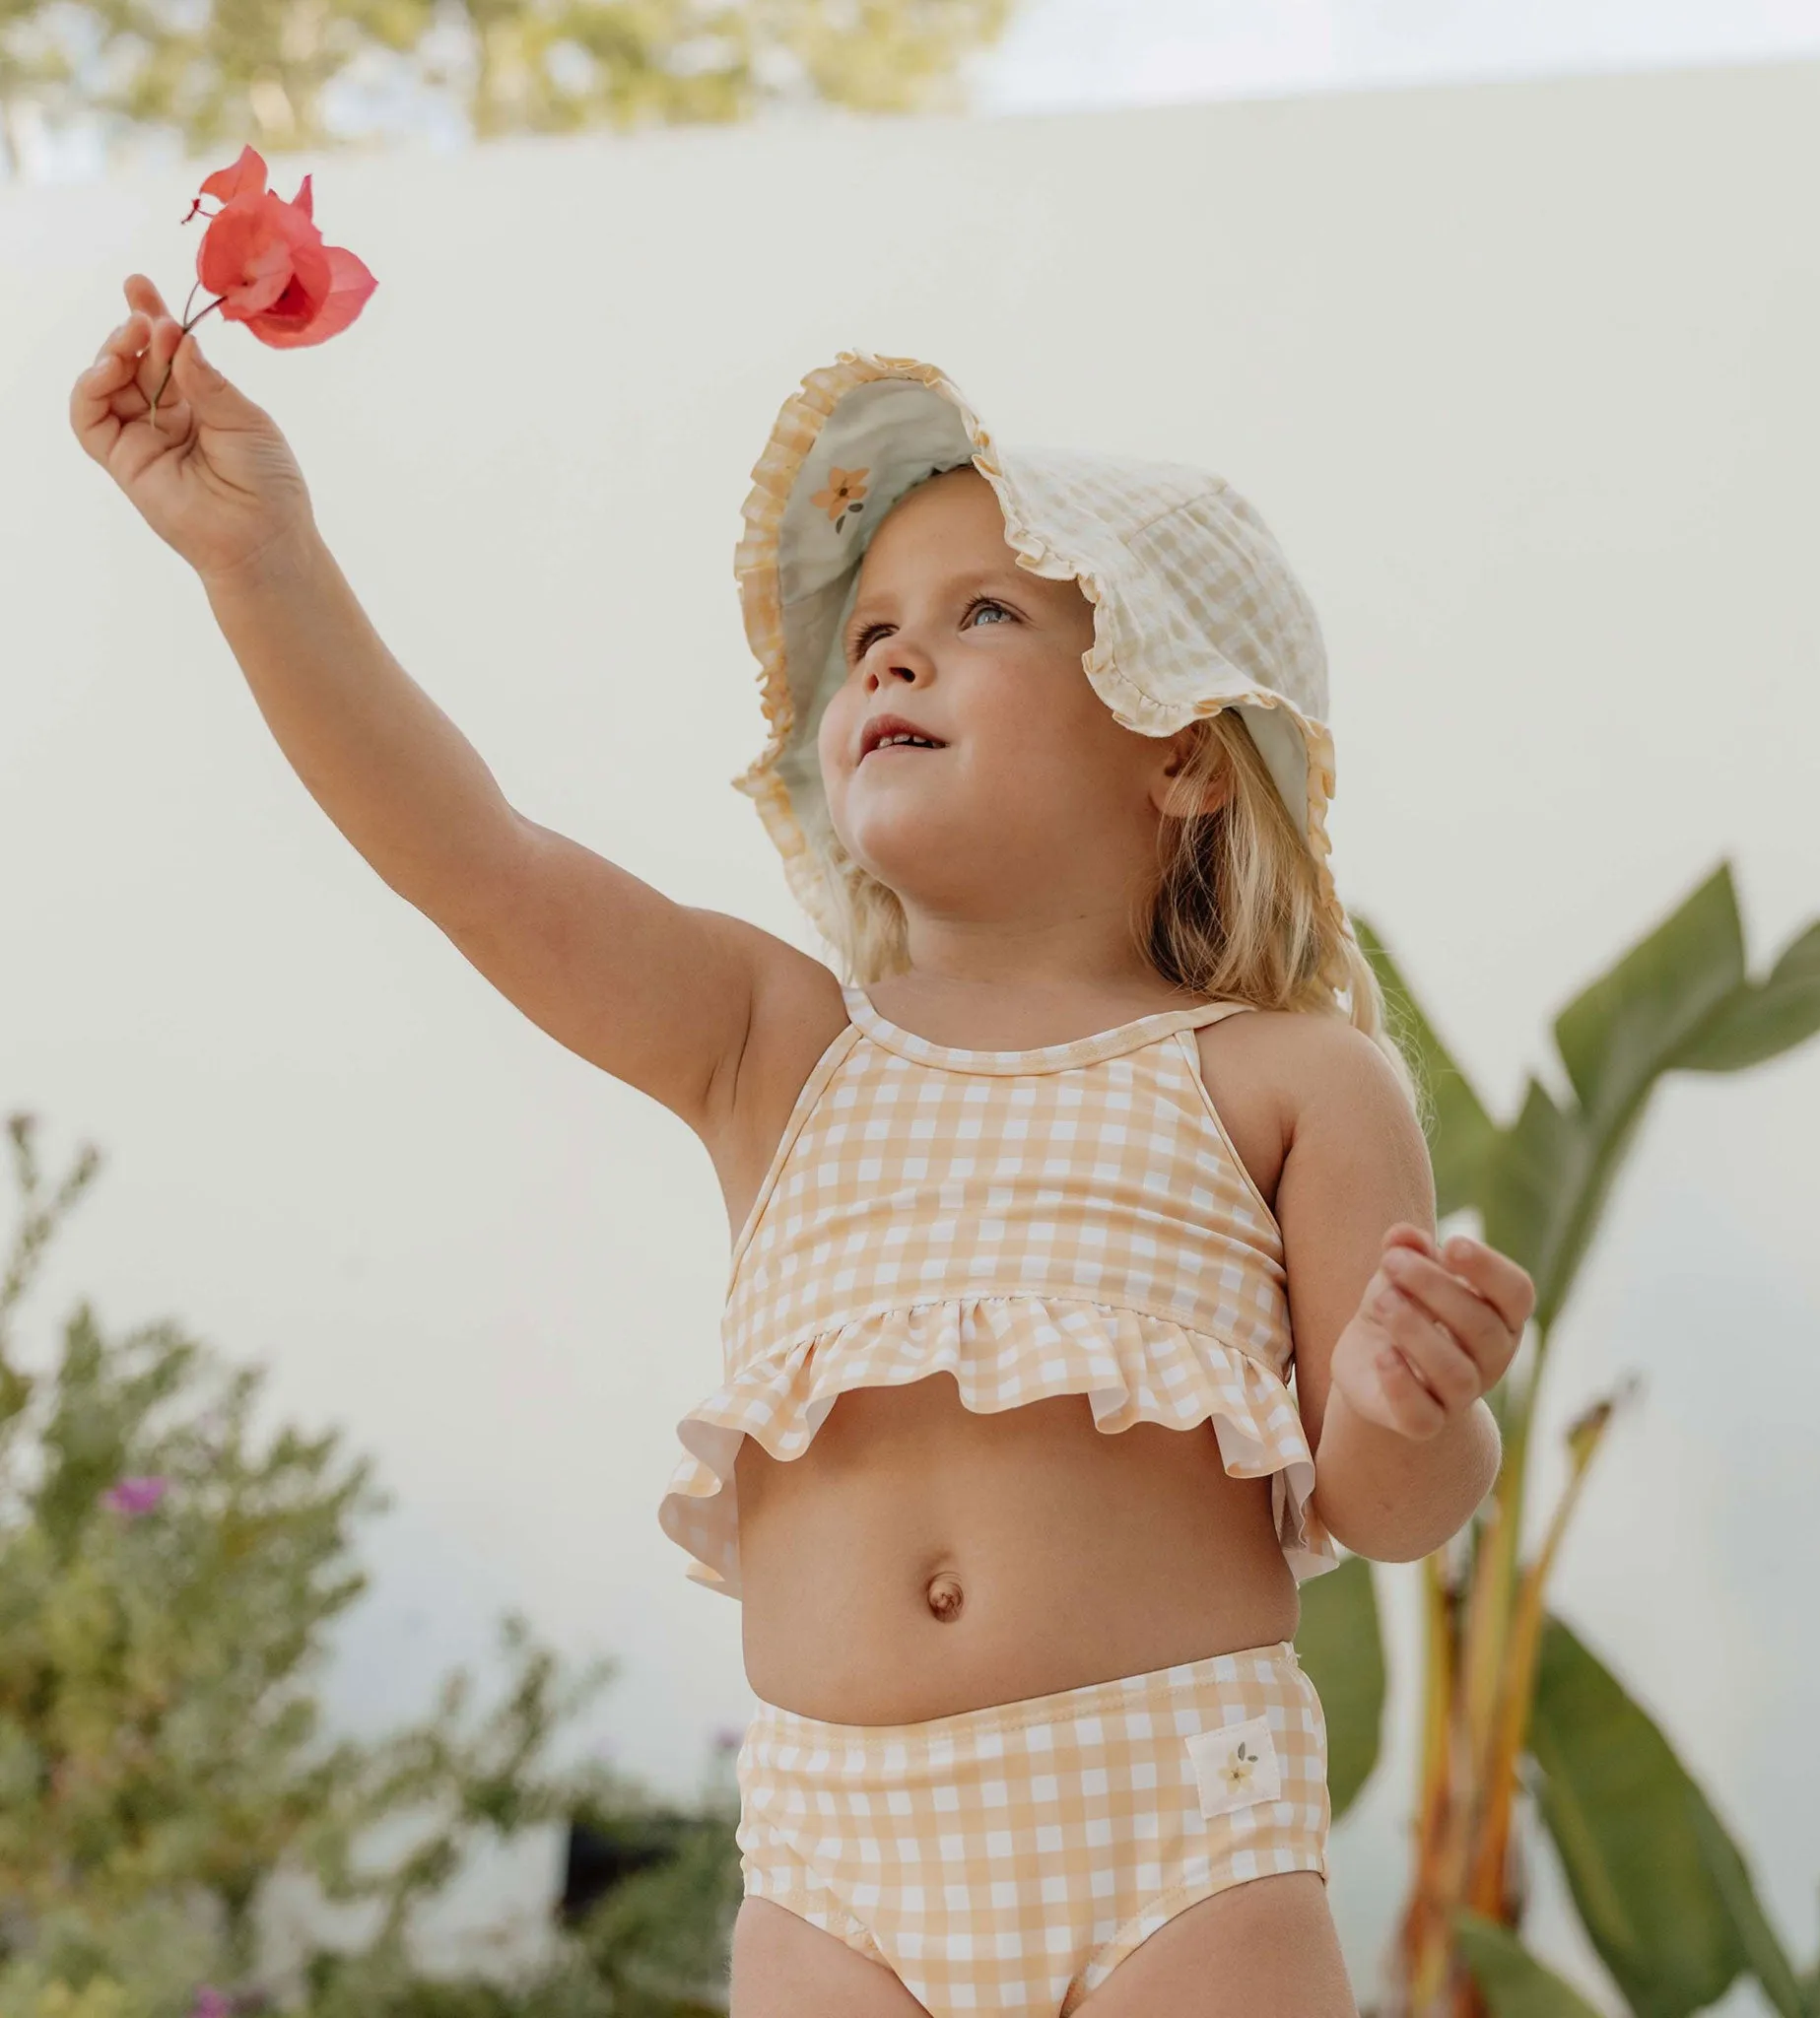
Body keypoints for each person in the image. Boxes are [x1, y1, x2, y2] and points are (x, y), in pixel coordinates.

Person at [71, 293, 1535, 2018]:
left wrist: (1410, 1402)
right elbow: (473, 858)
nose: (891, 654)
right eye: (871, 635)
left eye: (980, 611)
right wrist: (263, 562)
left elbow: (1387, 1506)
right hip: (844, 1866)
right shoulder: (774, 1044)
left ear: (1187, 755)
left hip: (1176, 1834)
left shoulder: (1291, 1077)